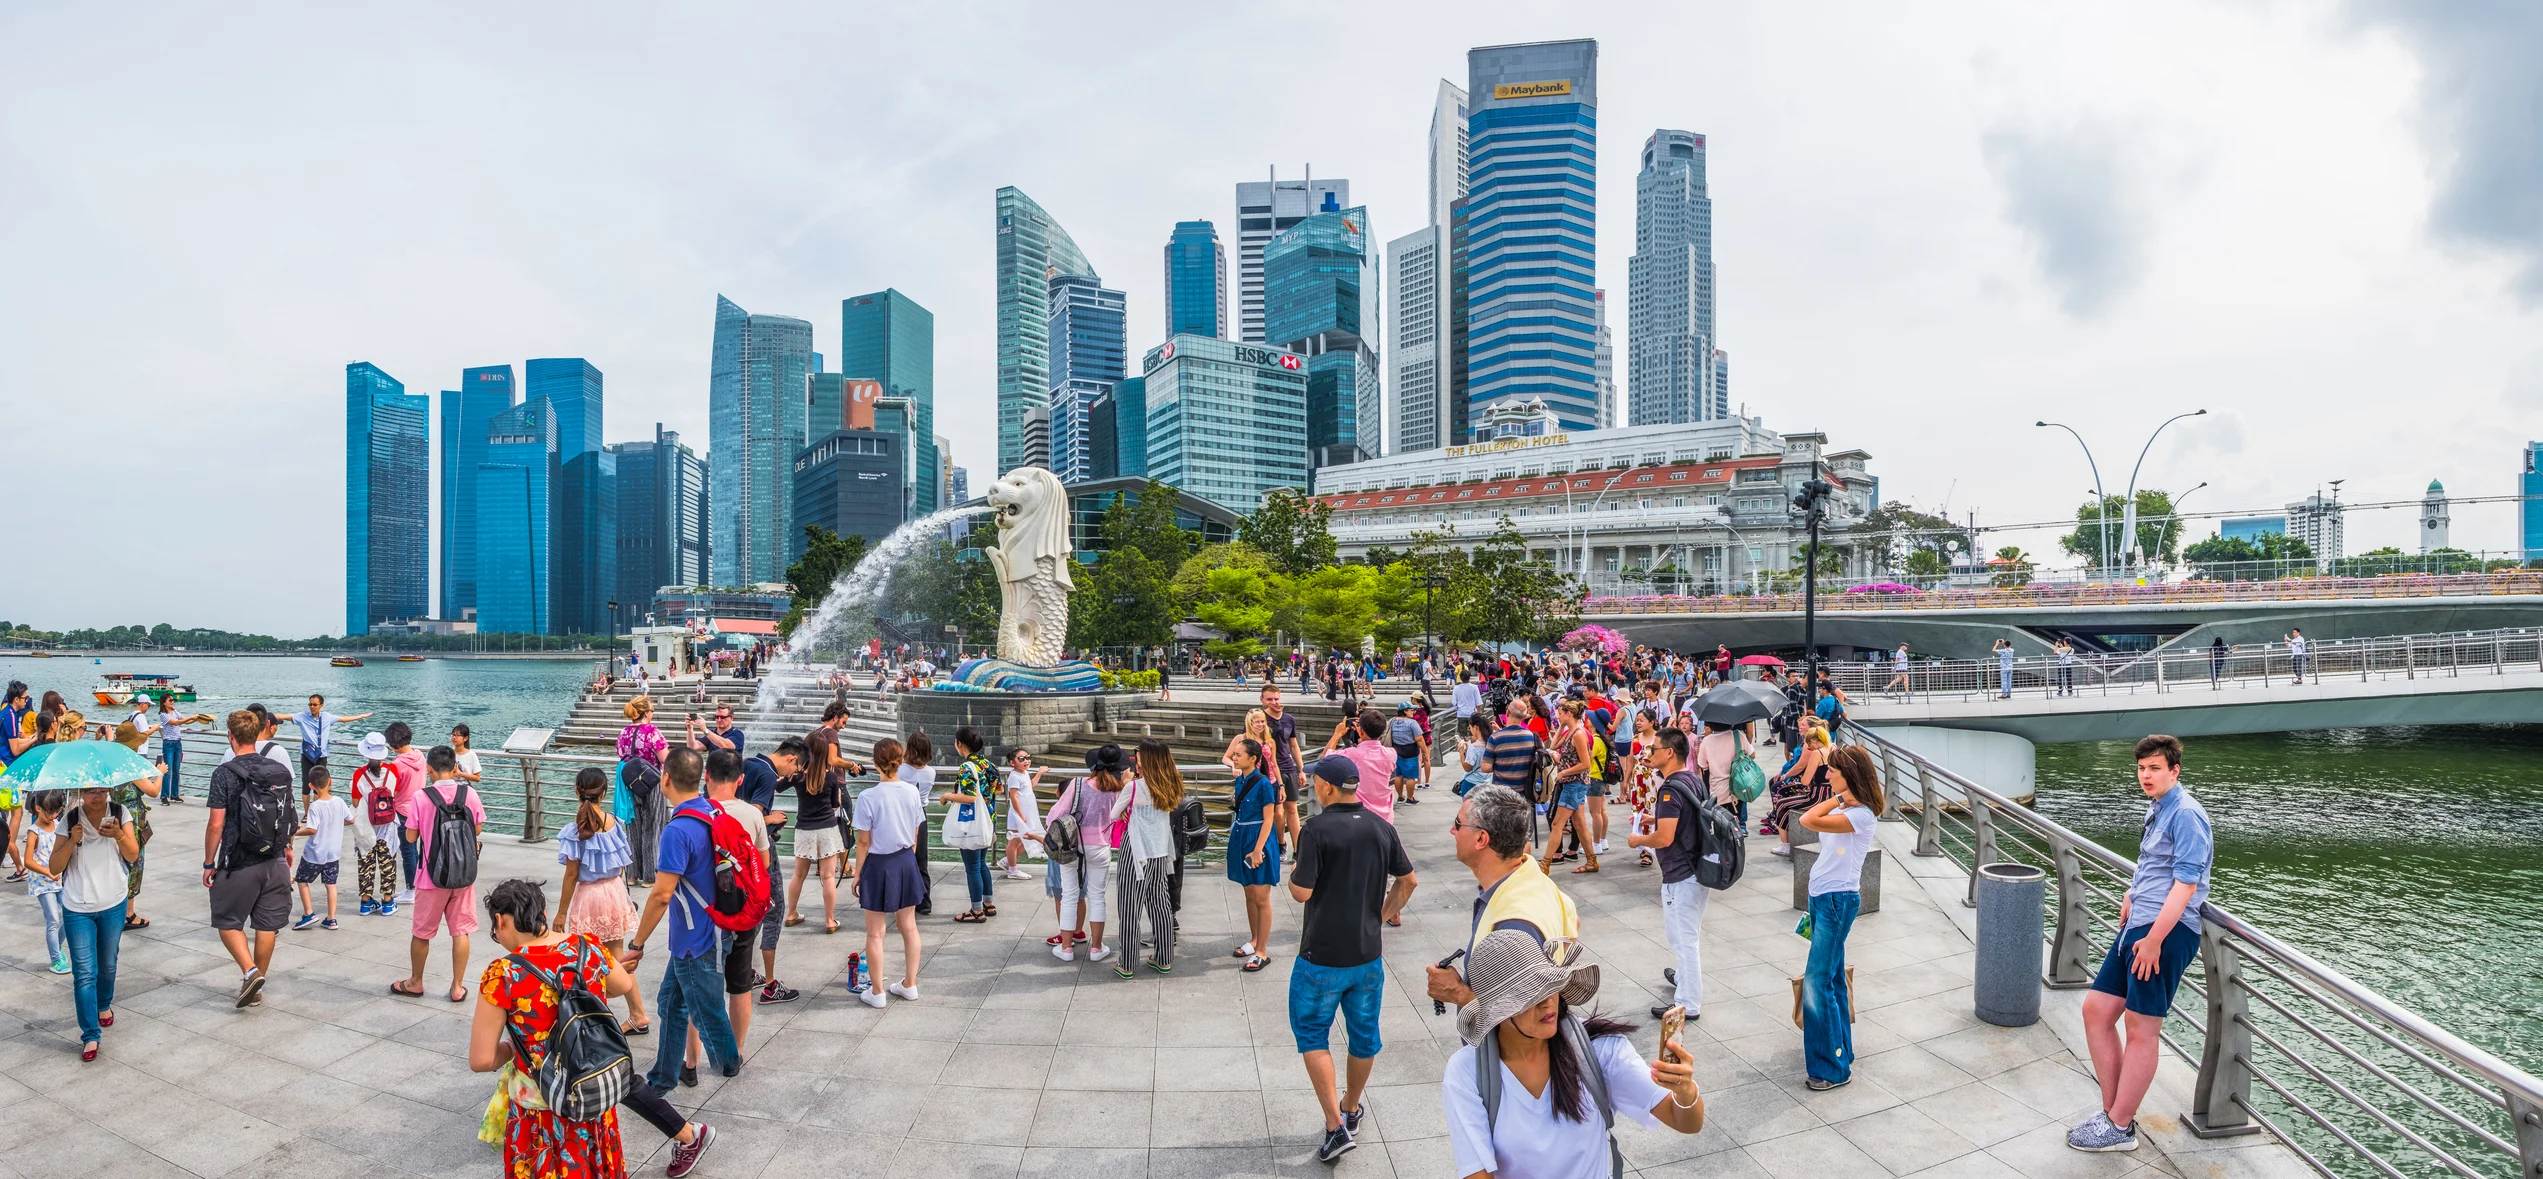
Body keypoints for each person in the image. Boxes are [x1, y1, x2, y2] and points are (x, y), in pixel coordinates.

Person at [470, 879, 719, 1179]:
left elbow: (482, 1059)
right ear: (543, 912)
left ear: (500, 920)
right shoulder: (587, 946)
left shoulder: (503, 974)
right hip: (592, 1093)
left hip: (542, 1107)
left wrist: (511, 1048)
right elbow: (623, 985)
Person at [2070, 733, 2213, 1153]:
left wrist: (2153, 940)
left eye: (2155, 768)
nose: (2146, 775)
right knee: (2097, 1010)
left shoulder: (2186, 813)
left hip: (2164, 933)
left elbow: (2187, 884)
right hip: (2140, 925)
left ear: (2175, 770)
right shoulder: (2159, 808)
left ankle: (2119, 1125)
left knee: (2141, 1027)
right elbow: (2156, 864)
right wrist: (2133, 890)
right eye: (2141, 768)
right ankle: (2113, 1113)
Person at [1286, 755, 1419, 1163]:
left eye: (1315, 783)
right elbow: (1408, 880)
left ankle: (1334, 1127)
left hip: (1321, 956)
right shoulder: (1381, 826)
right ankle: (1351, 1107)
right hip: (1366, 955)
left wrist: (1294, 871)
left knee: (1313, 1035)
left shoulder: (1316, 830)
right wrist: (1378, 917)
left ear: (1326, 786)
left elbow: (1302, 892)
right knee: (1363, 1036)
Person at [626, 748, 742, 1090]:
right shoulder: (712, 812)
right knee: (670, 1002)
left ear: (665, 778)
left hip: (697, 938)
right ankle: (664, 1075)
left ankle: (729, 1066)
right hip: (708, 930)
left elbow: (661, 894)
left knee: (706, 1011)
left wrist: (637, 943)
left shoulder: (678, 830)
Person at [1426, 785, 1579, 1012]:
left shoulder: (1512, 926)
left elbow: (1528, 1019)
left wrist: (1458, 992)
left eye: (1458, 824)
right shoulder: (1537, 881)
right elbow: (1574, 924)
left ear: (1481, 838)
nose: (1452, 831)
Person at [1797, 744, 1884, 1091]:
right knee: (1830, 978)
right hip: (1824, 898)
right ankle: (1841, 1050)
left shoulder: (1860, 815)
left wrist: (1839, 798)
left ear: (1850, 775)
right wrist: (1842, 796)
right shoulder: (1851, 809)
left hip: (1837, 900)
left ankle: (1832, 1067)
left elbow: (1807, 819)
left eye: (1834, 770)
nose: (1827, 773)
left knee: (1816, 983)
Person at [204, 708, 297, 1009]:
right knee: (267, 926)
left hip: (239, 861)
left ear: (231, 736)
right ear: (258, 733)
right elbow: (288, 814)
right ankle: (255, 987)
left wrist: (209, 862)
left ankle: (250, 971)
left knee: (228, 921)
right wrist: (287, 846)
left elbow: (216, 823)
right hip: (276, 859)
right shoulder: (277, 770)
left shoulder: (224, 773)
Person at [690, 748, 770, 1076]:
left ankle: (691, 1060)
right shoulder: (752, 814)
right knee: (739, 984)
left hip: (703, 912)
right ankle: (734, 1054)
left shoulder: (694, 811)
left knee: (697, 986)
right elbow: (762, 866)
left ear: (706, 776)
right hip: (740, 912)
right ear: (741, 780)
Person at [555, 766, 649, 1034]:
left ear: (577, 791)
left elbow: (571, 875)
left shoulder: (575, 829)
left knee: (588, 960)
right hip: (614, 891)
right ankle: (637, 1013)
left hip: (589, 895)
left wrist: (561, 913)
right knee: (618, 956)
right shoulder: (614, 823)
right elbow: (621, 865)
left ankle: (596, 1018)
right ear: (604, 792)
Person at [1628, 730, 1713, 1021]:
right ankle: (1684, 979)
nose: (1649, 754)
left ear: (1669, 754)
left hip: (1681, 874)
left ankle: (1688, 1003)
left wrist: (1639, 840)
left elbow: (1664, 839)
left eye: (1654, 749)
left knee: (1684, 938)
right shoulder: (1691, 779)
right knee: (1682, 935)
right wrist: (1656, 818)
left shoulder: (1669, 790)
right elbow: (1685, 819)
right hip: (1694, 869)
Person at [54, 783, 142, 1061]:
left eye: (102, 791)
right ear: (81, 792)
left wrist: (117, 834)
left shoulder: (120, 812)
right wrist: (71, 841)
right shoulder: (69, 820)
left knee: (108, 963)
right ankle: (90, 1035)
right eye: (91, 791)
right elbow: (55, 867)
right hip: (76, 906)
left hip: (112, 903)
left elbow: (133, 854)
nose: (97, 796)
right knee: (84, 973)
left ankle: (104, 1003)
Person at [393, 746, 484, 1003]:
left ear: (429, 769)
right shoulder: (470, 793)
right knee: (460, 931)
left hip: (430, 877)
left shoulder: (422, 798)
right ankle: (457, 987)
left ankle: (415, 982)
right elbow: (477, 828)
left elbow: (410, 837)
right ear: (455, 767)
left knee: (422, 933)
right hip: (464, 874)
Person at [850, 737, 926, 1009]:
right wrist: (911, 861)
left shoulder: (868, 797)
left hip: (879, 864)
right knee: (909, 927)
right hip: (906, 860)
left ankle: (878, 991)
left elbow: (863, 842)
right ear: (901, 760)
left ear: (875, 763)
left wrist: (858, 874)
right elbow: (916, 830)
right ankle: (910, 984)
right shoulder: (912, 792)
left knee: (875, 933)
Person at [733, 739, 805, 1005]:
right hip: (758, 851)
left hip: (737, 853)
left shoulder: (748, 763)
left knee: (750, 911)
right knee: (773, 909)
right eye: (796, 769)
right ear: (791, 759)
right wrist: (771, 819)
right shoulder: (767, 774)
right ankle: (771, 984)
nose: (792, 776)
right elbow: (749, 817)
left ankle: (746, 972)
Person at [1048, 744, 1127, 964]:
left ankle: (1065, 948)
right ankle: (1096, 948)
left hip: (1072, 845)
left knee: (1070, 895)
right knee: (1097, 896)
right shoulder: (1119, 789)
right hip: (1100, 847)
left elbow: (1056, 814)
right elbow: (1119, 817)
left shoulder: (1078, 784)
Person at [1110, 739, 1180, 977]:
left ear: (1147, 760)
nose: (1134, 761)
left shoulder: (1134, 787)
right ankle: (1164, 958)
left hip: (1136, 849)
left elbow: (1113, 814)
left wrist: (1126, 784)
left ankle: (1127, 963)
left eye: (1137, 758)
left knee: (1130, 906)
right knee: (1160, 903)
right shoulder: (1171, 783)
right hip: (1160, 848)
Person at [783, 721, 850, 934]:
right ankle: (830, 920)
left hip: (804, 828)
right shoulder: (830, 777)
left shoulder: (798, 777)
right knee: (828, 877)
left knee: (798, 875)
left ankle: (791, 913)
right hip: (827, 829)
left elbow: (776, 784)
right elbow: (834, 805)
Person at [1224, 737, 1283, 973]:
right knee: (1249, 893)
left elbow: (1269, 818)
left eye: (1239, 755)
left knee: (1261, 896)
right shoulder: (1241, 780)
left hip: (1258, 838)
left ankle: (1263, 951)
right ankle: (1254, 939)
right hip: (1241, 834)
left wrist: (1258, 849)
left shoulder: (1263, 784)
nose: (1234, 758)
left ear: (1253, 759)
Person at [944, 727, 999, 923]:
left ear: (959, 744)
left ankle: (976, 910)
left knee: (972, 867)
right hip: (988, 820)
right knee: (981, 863)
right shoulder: (989, 764)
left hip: (972, 823)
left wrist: (947, 796)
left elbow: (969, 797)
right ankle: (988, 903)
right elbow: (997, 790)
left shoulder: (967, 767)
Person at [1540, 701, 1599, 875]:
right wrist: (1561, 726)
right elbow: (1552, 747)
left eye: (1560, 713)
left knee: (1558, 823)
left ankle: (1545, 864)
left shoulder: (1578, 734)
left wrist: (1564, 773)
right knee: (1579, 824)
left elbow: (1586, 763)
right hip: (1573, 783)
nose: (1557, 716)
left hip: (1574, 783)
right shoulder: (1570, 732)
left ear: (1569, 713)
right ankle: (1591, 861)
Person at [290, 765, 351, 930]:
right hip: (333, 853)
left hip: (314, 853)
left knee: (302, 881)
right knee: (331, 884)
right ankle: (331, 919)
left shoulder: (315, 807)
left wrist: (295, 833)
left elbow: (312, 829)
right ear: (330, 781)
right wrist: (337, 822)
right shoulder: (339, 801)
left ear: (311, 786)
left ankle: (308, 913)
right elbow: (350, 820)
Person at [347, 733, 402, 916]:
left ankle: (366, 903)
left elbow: (355, 802)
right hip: (387, 826)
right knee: (387, 862)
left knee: (366, 864)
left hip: (365, 827)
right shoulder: (392, 770)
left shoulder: (359, 774)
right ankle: (387, 902)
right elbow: (397, 791)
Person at [617, 699, 668, 888]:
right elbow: (665, 758)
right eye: (652, 710)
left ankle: (632, 874)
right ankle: (650, 875)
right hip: (652, 782)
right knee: (653, 827)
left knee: (633, 827)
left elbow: (620, 754)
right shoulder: (652, 731)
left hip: (630, 783)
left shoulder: (623, 732)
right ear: (646, 713)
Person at [1766, 720, 1834, 859]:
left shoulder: (1818, 753)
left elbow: (1805, 781)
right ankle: (1786, 839)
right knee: (1785, 801)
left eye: (1810, 743)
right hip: (1831, 794)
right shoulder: (1833, 748)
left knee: (1781, 803)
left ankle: (1785, 845)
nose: (1809, 747)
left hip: (1817, 796)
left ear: (1816, 740)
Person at [20, 790, 70, 973]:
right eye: (48, 812)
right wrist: (48, 872)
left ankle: (55, 946)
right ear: (37, 808)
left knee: (68, 915)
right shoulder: (33, 831)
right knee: (53, 919)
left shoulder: (58, 825)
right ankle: (56, 959)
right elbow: (28, 861)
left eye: (56, 811)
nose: (52, 816)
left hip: (58, 879)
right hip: (42, 882)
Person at [289, 694, 373, 795]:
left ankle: (317, 808)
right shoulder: (303, 716)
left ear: (321, 705)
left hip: (321, 756)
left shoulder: (327, 717)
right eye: (310, 704)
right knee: (306, 786)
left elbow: (343, 719)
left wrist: (360, 716)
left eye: (315, 705)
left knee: (319, 786)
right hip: (307, 755)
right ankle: (307, 811)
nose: (312, 707)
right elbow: (284, 716)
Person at [1334, 708, 1400, 826]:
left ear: (1362, 731)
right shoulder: (1391, 754)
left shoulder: (1352, 754)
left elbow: (1325, 757)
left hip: (1362, 817)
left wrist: (1337, 734)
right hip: (1386, 816)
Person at [897, 731, 938, 917]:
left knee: (899, 858)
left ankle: (902, 898)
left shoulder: (901, 770)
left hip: (901, 815)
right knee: (921, 860)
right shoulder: (931, 772)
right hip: (921, 816)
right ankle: (924, 901)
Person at [1262, 684, 1307, 844]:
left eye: (1276, 699)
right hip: (1270, 771)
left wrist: (1301, 769)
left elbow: (1293, 745)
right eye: (1269, 699)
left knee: (1292, 809)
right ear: (1262, 700)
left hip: (1288, 767)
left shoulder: (1289, 719)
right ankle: (1280, 842)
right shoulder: (1260, 720)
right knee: (1277, 812)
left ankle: (1297, 849)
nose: (1274, 702)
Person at [153, 695, 211, 805]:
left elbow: (184, 721)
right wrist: (191, 717)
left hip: (177, 743)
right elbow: (175, 723)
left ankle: (174, 795)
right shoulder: (163, 715)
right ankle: (164, 796)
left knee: (176, 770)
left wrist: (196, 718)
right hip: (168, 744)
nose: (172, 701)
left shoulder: (175, 711)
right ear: (164, 702)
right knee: (167, 771)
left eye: (173, 700)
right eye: (170, 700)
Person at [1002, 747, 1045, 881]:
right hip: (1019, 814)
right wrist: (1020, 815)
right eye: (1021, 759)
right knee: (1015, 841)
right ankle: (1012, 870)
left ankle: (1007, 861)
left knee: (1024, 840)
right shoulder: (1014, 776)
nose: (1026, 761)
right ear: (1012, 763)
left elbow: (1030, 786)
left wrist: (1039, 773)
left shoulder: (1024, 773)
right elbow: (1013, 797)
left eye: (1027, 757)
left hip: (1027, 812)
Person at [1388, 699, 1429, 808]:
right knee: (1412, 777)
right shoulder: (1412, 723)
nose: (1413, 712)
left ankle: (1400, 796)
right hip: (1410, 752)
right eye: (1411, 710)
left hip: (1396, 751)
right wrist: (1425, 752)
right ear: (1405, 711)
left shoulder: (1392, 721)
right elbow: (1419, 739)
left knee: (1399, 775)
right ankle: (1410, 798)